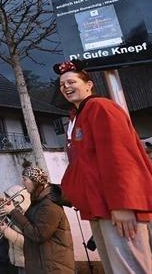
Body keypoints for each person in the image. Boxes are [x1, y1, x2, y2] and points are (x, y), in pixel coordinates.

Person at [55, 60, 152, 273]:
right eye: (62, 85)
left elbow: (120, 157)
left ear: (89, 84)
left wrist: (123, 204)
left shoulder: (101, 107)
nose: (66, 87)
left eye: (71, 81)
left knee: (130, 268)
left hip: (115, 208)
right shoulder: (81, 115)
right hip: (99, 208)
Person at [0, 166, 74, 274]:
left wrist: (13, 212)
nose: (23, 183)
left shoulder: (49, 205)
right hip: (43, 264)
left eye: (25, 179)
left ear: (35, 181)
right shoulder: (39, 202)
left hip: (52, 267)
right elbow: (28, 226)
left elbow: (38, 234)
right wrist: (10, 213)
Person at [0, 185, 30, 274]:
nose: (5, 202)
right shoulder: (12, 215)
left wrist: (6, 231)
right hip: (18, 263)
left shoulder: (26, 216)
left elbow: (28, 243)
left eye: (9, 199)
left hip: (28, 263)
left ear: (18, 201)